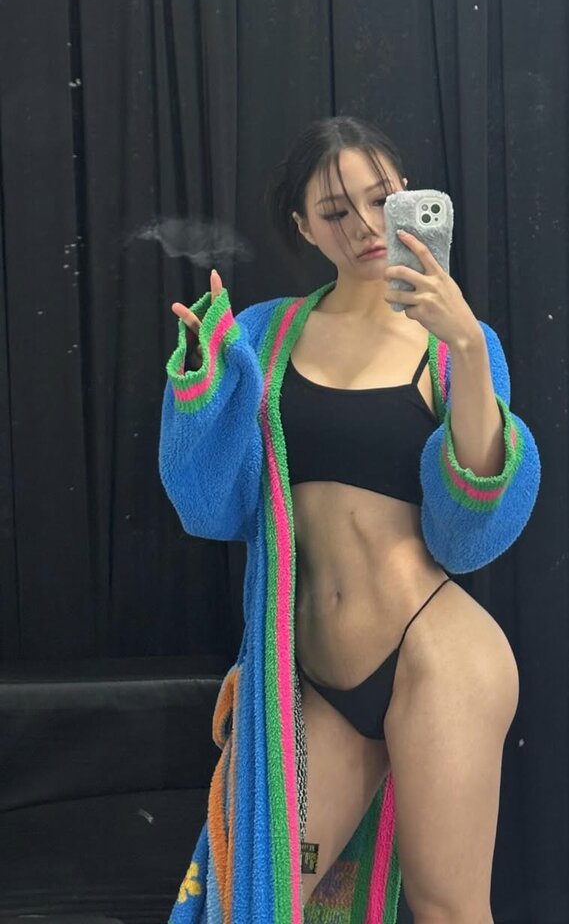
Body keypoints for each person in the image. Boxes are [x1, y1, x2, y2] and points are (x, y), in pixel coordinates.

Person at [159, 115, 541, 924]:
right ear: (303, 226)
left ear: (408, 194)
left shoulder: (454, 343)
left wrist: (467, 349)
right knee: (253, 904)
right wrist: (198, 388)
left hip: (435, 656)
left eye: (381, 198)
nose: (365, 226)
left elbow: (471, 526)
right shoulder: (263, 335)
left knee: (448, 908)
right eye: (335, 211)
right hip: (312, 682)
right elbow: (210, 505)